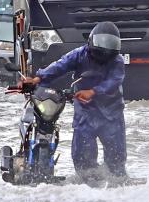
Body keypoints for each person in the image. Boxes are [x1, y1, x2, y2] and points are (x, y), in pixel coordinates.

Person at [24, 21, 127, 182]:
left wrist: (93, 92)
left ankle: (118, 188)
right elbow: (60, 66)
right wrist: (39, 78)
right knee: (83, 156)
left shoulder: (117, 61)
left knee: (116, 159)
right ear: (91, 41)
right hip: (86, 111)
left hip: (111, 112)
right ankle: (88, 186)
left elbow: (114, 81)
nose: (105, 51)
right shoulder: (80, 54)